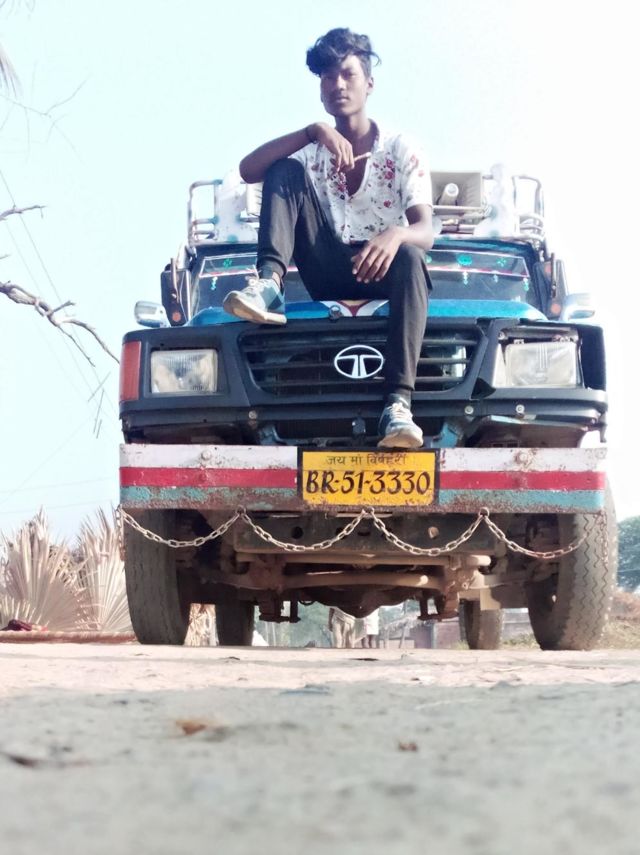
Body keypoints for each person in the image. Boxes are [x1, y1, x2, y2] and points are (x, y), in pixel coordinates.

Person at [224, 27, 434, 449]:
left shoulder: (400, 148)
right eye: (327, 77)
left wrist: (395, 235)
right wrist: (313, 131)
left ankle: (398, 405)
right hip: (326, 268)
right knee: (283, 169)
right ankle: (269, 285)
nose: (338, 84)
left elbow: (426, 231)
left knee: (412, 257)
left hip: (381, 272)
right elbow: (248, 170)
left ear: (369, 83)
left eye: (348, 74)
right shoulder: (312, 151)